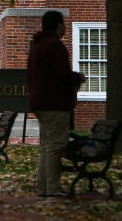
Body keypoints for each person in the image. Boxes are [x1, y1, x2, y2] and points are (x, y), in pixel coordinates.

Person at [27, 11, 84, 198]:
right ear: (58, 25)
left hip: (39, 102)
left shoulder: (36, 46)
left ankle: (43, 187)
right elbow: (62, 74)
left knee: (46, 145)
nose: (66, 27)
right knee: (55, 146)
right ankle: (52, 188)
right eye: (64, 24)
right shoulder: (55, 46)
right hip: (55, 103)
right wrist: (78, 77)